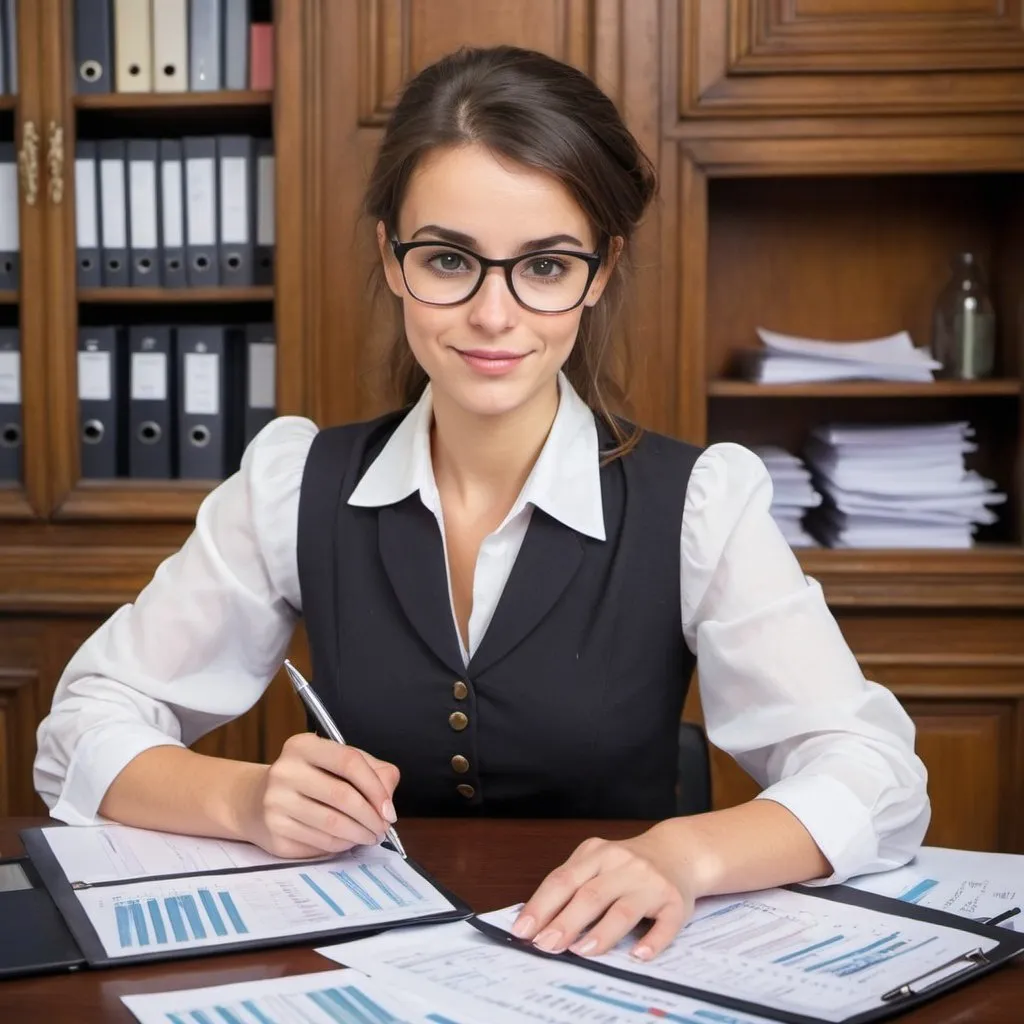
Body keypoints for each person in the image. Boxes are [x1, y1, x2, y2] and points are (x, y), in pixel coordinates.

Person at [34, 45, 928, 963]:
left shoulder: (700, 504)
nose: (493, 315)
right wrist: (243, 798)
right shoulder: (292, 482)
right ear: (392, 256)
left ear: (602, 269)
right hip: (359, 964)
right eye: (450, 258)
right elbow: (84, 728)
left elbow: (878, 778)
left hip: (611, 968)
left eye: (543, 267)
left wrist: (685, 851)